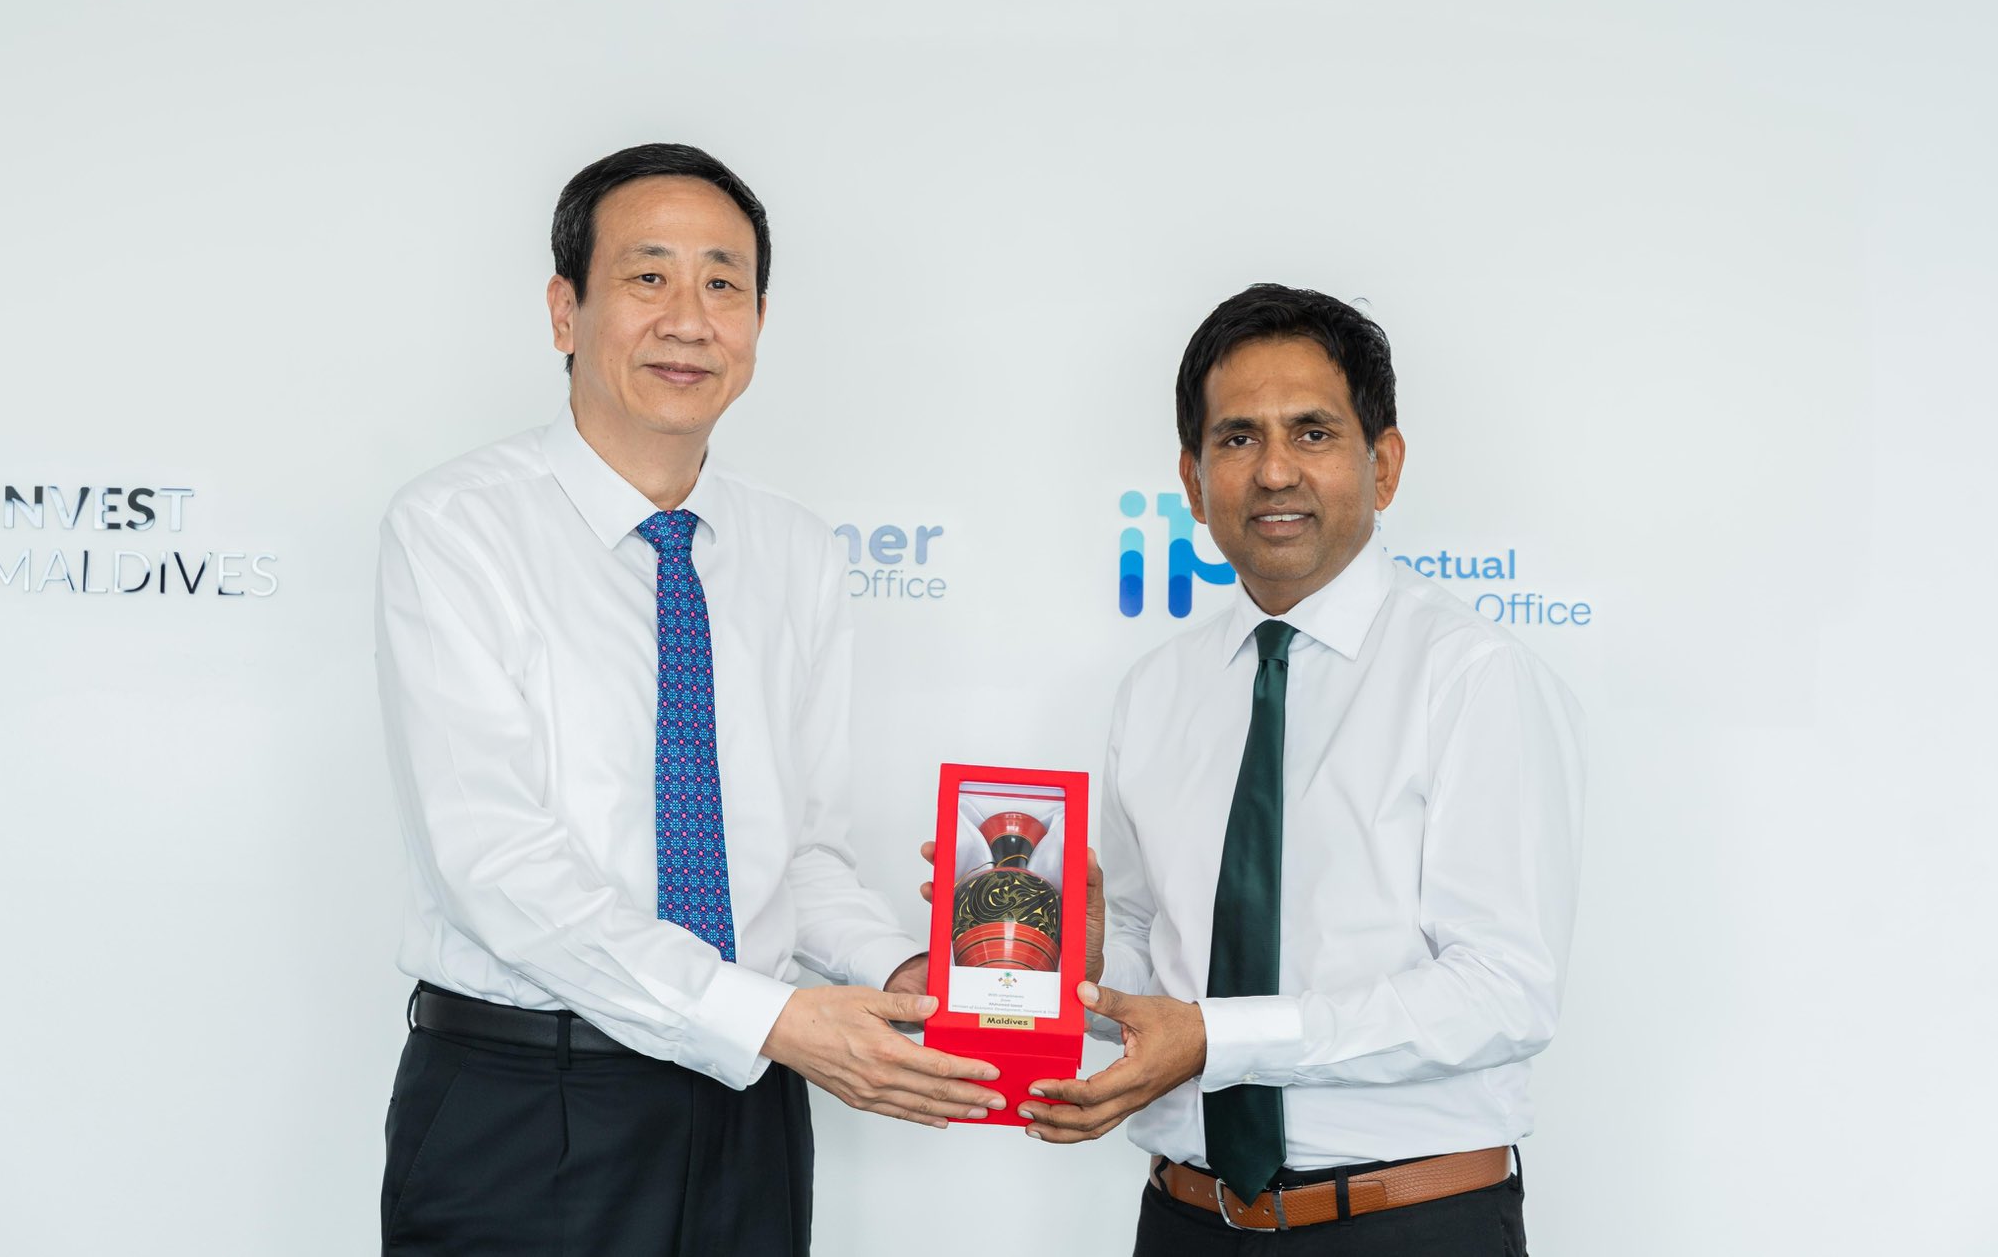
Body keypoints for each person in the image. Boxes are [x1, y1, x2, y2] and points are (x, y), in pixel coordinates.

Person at [373, 142, 1003, 1256]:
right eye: (648, 275)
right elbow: (496, 863)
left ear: (757, 322)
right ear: (565, 311)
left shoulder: (796, 551)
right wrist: (765, 1016)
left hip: (750, 1104)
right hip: (529, 1103)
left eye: (724, 283)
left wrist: (903, 972)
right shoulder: (458, 529)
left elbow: (798, 857)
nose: (688, 319)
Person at [1021, 284, 1585, 1255]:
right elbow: (1154, 949)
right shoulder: (1154, 691)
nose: (1274, 470)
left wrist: (1222, 1037)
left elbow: (1502, 991)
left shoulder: (1470, 676)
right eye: (1237, 438)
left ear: (1383, 463)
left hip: (1408, 1226)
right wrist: (1083, 968)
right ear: (1193, 479)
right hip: (1187, 1221)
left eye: (1312, 433)